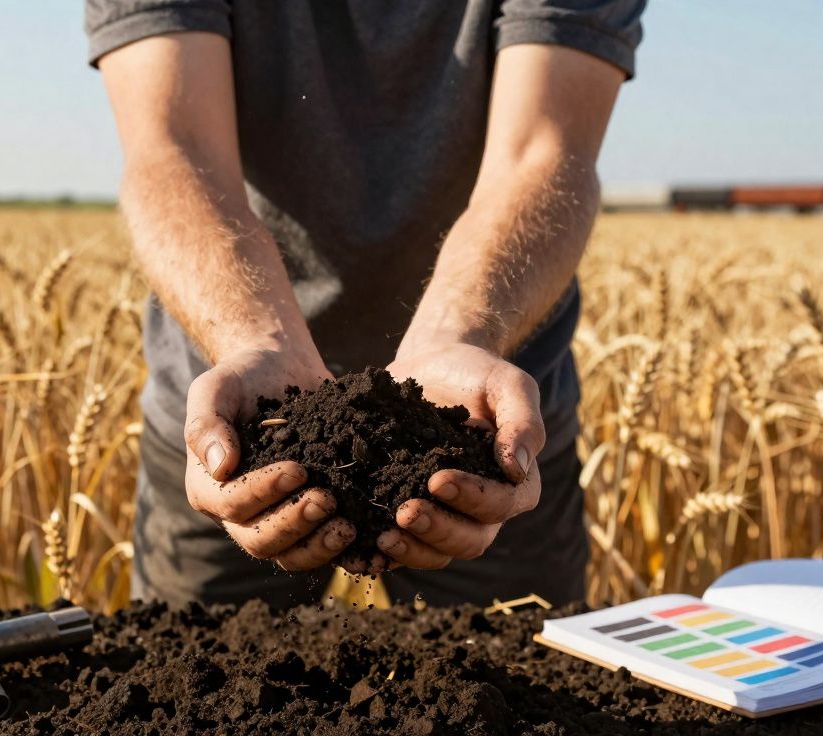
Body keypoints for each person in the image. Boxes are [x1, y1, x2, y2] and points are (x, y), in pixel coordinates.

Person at [86, 0, 644, 609]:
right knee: (189, 693)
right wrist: (255, 342)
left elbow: (545, 149)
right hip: (229, 424)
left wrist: (459, 337)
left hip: (487, 429)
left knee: (517, 696)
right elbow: (174, 145)